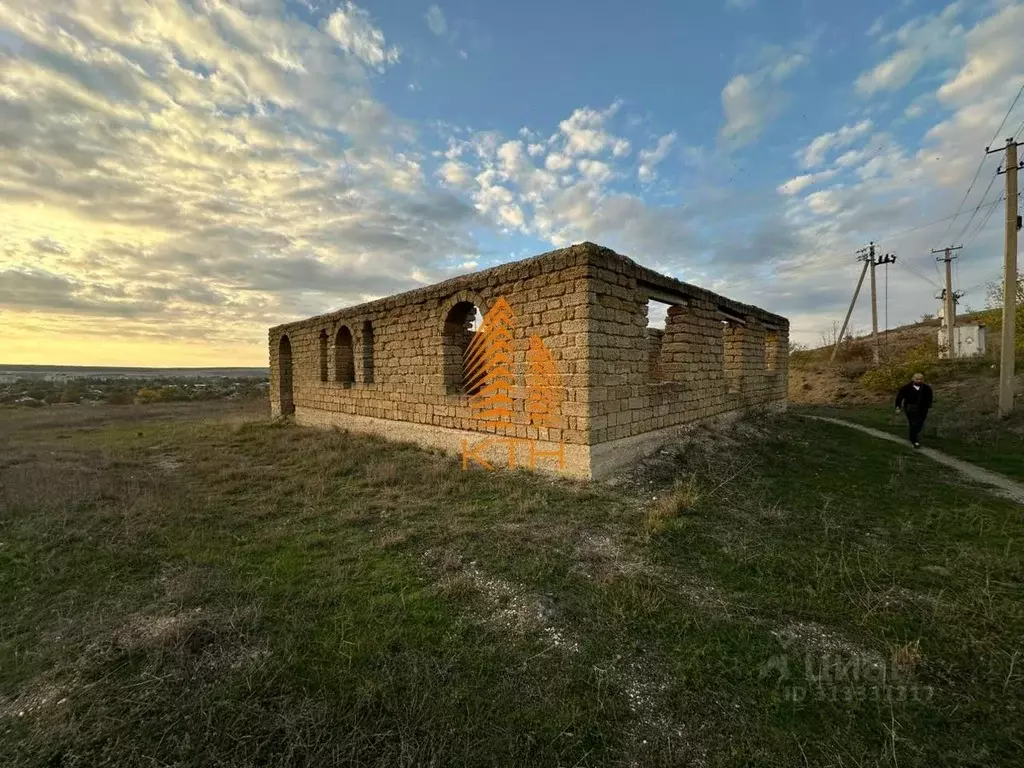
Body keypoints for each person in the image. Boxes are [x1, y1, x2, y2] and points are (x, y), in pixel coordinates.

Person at [894, 372, 933, 448]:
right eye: (917, 379)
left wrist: (929, 404)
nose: (919, 381)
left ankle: (914, 434)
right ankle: (914, 440)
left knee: (920, 423)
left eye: (920, 379)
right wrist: (898, 407)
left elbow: (930, 397)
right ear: (913, 379)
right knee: (913, 423)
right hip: (910, 408)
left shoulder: (926, 388)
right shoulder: (906, 388)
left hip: (923, 408)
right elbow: (899, 397)